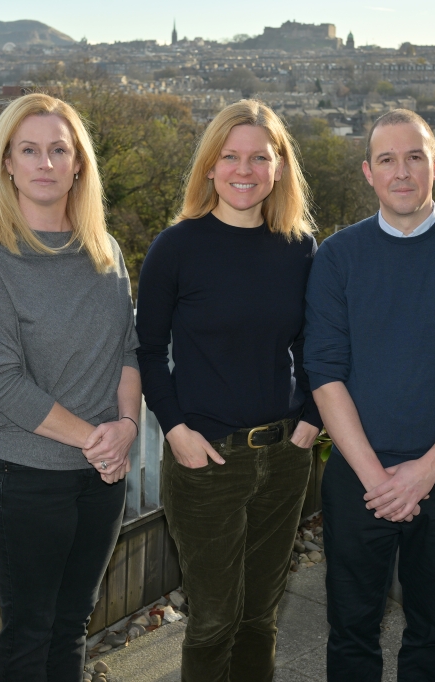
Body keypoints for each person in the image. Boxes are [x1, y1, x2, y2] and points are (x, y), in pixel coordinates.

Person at [304, 109, 435, 681]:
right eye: (387, 159)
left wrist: (424, 472)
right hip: (357, 479)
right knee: (350, 632)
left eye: (415, 156)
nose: (402, 172)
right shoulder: (337, 257)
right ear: (368, 173)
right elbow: (324, 374)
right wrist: (379, 480)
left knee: (433, 633)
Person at [136, 99, 322, 682]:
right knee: (214, 619)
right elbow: (146, 351)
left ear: (280, 168)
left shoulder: (300, 247)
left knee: (260, 617)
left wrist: (312, 418)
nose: (244, 170)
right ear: (210, 167)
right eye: (230, 156)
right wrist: (175, 429)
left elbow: (317, 347)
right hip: (207, 459)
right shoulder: (176, 248)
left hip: (286, 456)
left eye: (259, 157)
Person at [0, 93, 140, 682]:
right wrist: (97, 439)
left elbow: (128, 352)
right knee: (31, 628)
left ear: (78, 163)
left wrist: (128, 429)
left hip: (99, 477)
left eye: (58, 149)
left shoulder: (104, 252)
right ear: (6, 163)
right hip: (24, 479)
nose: (44, 162)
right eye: (28, 150)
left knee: (73, 624)